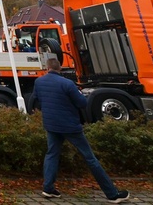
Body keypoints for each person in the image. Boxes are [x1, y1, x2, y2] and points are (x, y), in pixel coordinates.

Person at [31, 58, 129, 203]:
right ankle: (112, 194)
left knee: (52, 154)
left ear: (47, 68)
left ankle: (48, 188)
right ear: (60, 68)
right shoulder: (67, 84)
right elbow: (82, 103)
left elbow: (37, 98)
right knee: (90, 158)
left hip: (51, 125)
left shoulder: (39, 82)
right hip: (70, 126)